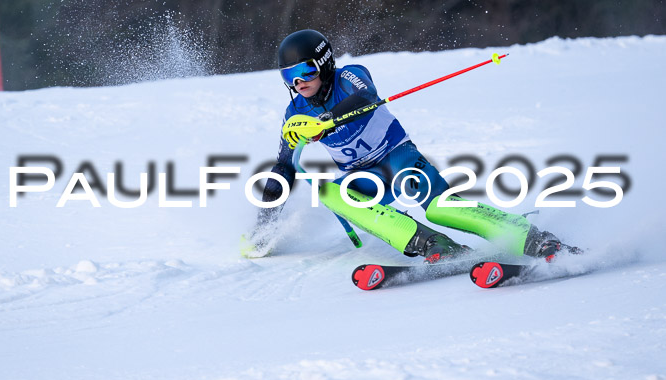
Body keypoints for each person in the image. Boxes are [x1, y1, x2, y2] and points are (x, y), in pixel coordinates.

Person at [242, 29, 564, 261]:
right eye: (289, 77)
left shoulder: (348, 76)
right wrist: (264, 229)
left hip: (398, 158)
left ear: (324, 63)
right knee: (330, 192)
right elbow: (284, 168)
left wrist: (327, 119)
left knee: (439, 208)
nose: (298, 83)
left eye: (304, 71)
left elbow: (366, 94)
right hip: (365, 177)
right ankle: (433, 245)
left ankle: (533, 238)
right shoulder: (295, 111)